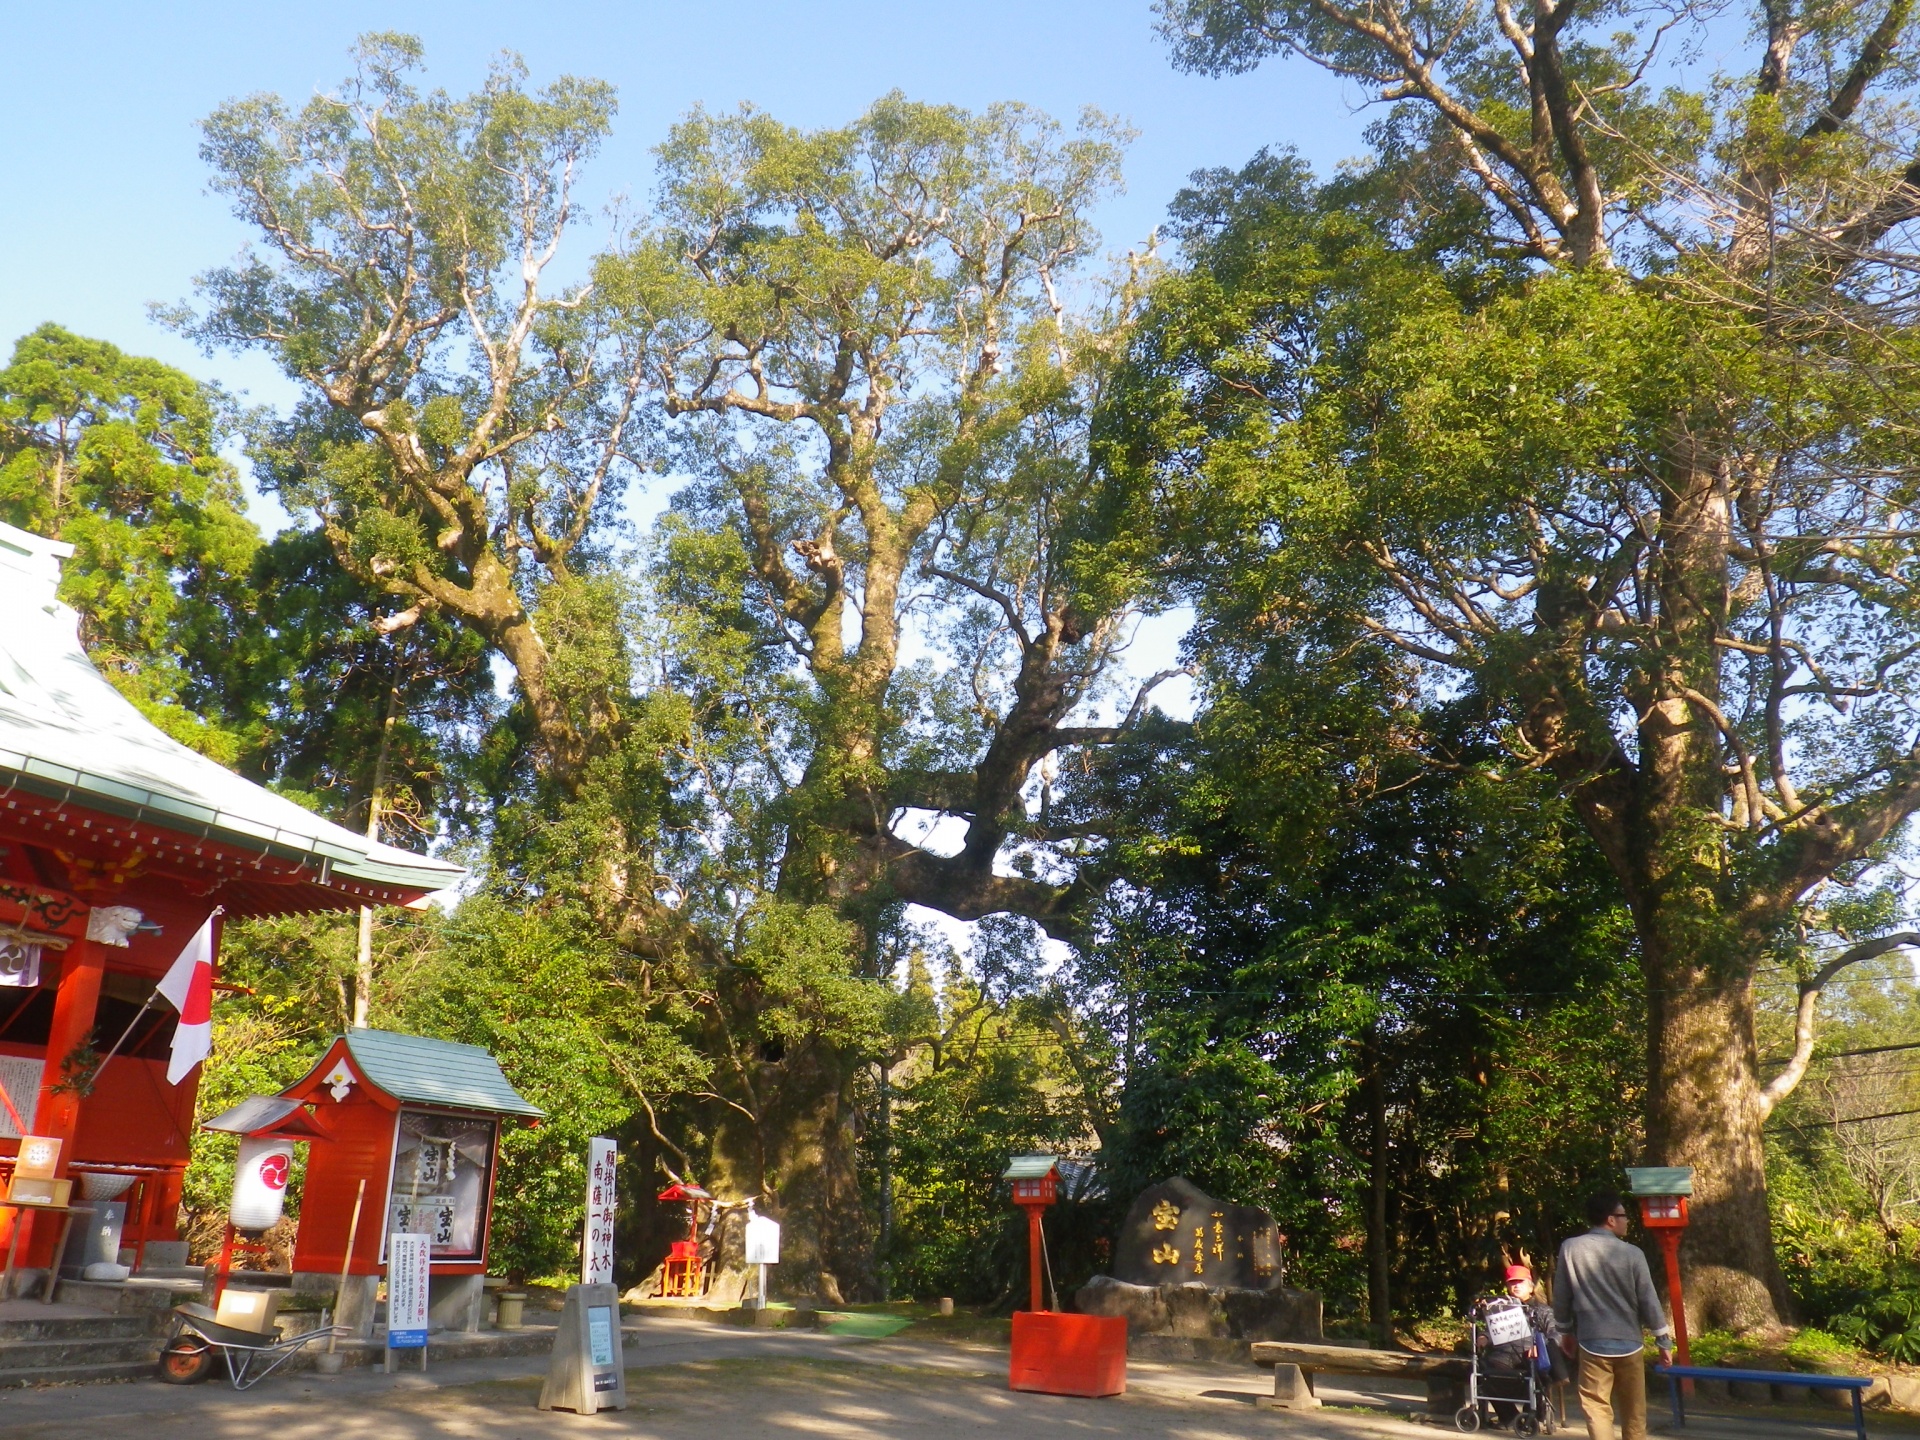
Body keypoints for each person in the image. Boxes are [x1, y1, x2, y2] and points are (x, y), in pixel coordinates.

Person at [1553, 1192, 1674, 1440]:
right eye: (1623, 1215)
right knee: (1635, 1412)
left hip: (1591, 1341)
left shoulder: (1570, 1248)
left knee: (1596, 1408)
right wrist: (1662, 1340)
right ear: (1610, 1219)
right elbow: (1648, 1300)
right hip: (1630, 1342)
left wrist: (1564, 1331)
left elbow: (1562, 1296)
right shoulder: (1633, 1254)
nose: (1628, 1220)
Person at [1479, 1262, 1560, 1429]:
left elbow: (1555, 1334)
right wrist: (1483, 1336)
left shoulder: (1543, 1310)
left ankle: (1533, 1417)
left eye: (1520, 1282)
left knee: (1537, 1371)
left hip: (1530, 1356)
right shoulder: (1501, 1308)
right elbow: (1492, 1330)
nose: (1516, 1286)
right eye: (1512, 1282)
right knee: (1484, 1370)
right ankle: (1510, 1418)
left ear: (1530, 1287)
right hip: (1502, 1355)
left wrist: (1541, 1345)